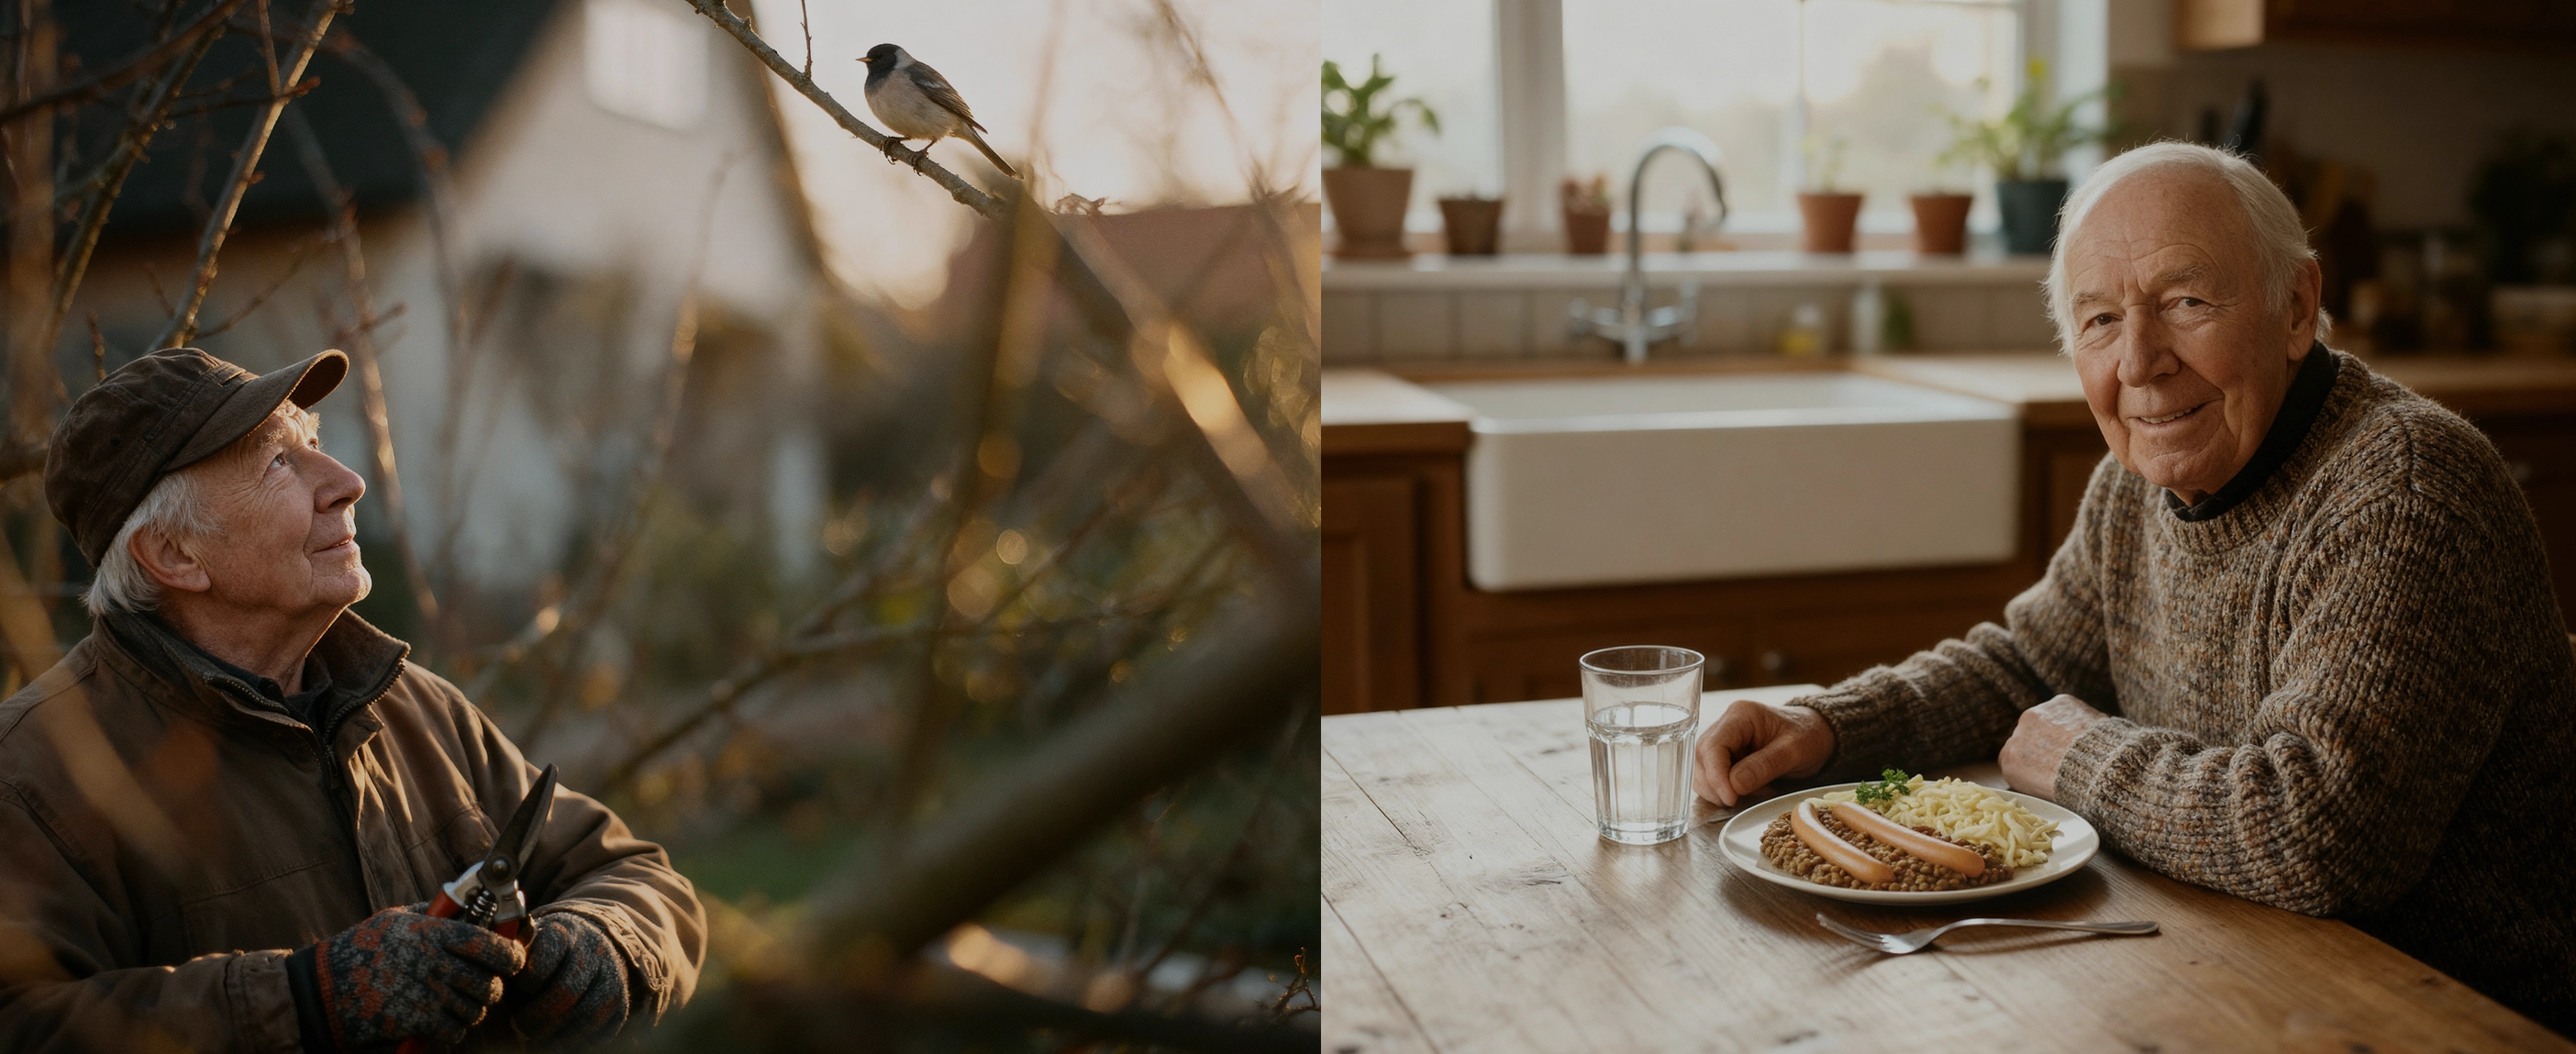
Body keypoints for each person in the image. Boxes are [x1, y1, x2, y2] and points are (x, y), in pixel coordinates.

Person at [1692, 141, 2574, 1033]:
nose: (2142, 362)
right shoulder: (2138, 481)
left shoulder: (2406, 489)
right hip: (2238, 973)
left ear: (2297, 306)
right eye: (2101, 321)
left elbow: (2320, 837)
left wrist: (2080, 758)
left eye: (2187, 302)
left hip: (2451, 1011)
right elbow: (2028, 669)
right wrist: (1830, 724)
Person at [0, 348, 704, 1051]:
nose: (346, 482)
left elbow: (631, 871)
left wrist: (609, 940)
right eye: (277, 461)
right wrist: (307, 997)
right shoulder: (33, 772)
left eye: (313, 442)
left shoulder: (415, 708)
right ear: (175, 554)